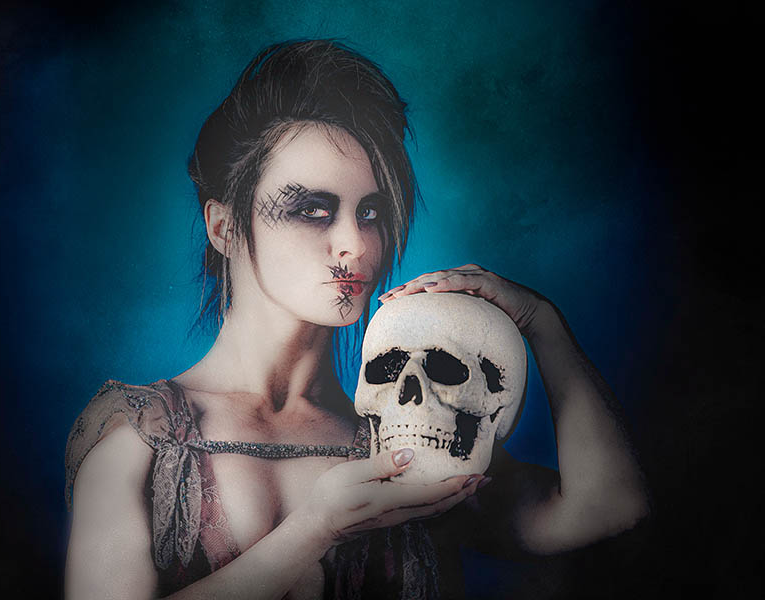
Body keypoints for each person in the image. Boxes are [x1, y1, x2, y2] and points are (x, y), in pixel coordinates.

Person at [63, 39, 649, 600]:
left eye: (371, 212)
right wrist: (313, 529)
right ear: (224, 227)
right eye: (312, 210)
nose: (357, 244)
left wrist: (541, 321)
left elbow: (608, 506)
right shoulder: (138, 438)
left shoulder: (414, 429)